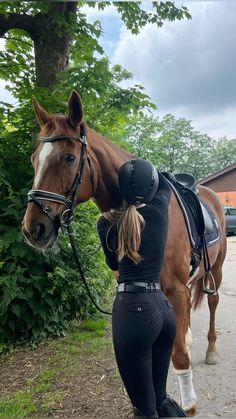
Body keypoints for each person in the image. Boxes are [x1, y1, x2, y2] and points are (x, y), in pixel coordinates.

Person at [97, 159, 186, 418]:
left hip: (133, 313)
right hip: (163, 309)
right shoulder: (158, 212)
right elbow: (165, 186)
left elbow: (114, 264)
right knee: (160, 398)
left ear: (120, 188)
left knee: (144, 409)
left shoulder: (104, 224)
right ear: (151, 187)